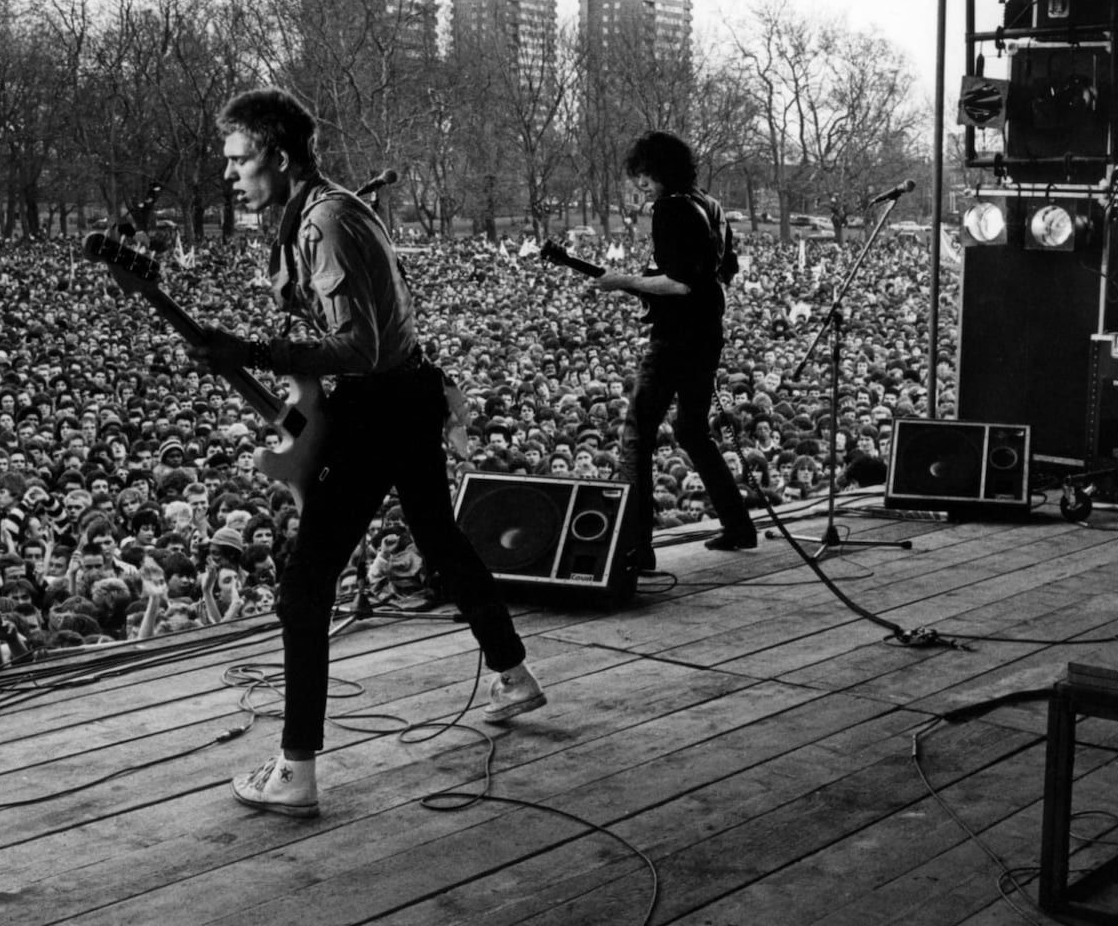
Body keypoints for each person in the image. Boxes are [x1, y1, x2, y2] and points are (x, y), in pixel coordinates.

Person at [189, 88, 542, 818]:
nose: (229, 174)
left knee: (304, 588)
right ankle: (513, 674)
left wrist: (249, 351)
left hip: (378, 406)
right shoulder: (322, 212)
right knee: (439, 539)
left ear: (277, 155)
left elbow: (360, 348)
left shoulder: (326, 221)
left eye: (239, 158)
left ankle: (296, 770)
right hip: (404, 397)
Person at [596, 130, 757, 574]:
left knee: (637, 435)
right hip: (707, 333)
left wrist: (625, 281)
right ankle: (738, 525)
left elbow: (680, 283)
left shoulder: (669, 209)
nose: (640, 184)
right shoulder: (710, 205)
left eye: (645, 176)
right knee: (691, 430)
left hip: (675, 338)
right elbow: (723, 271)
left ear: (662, 172)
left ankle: (635, 549)